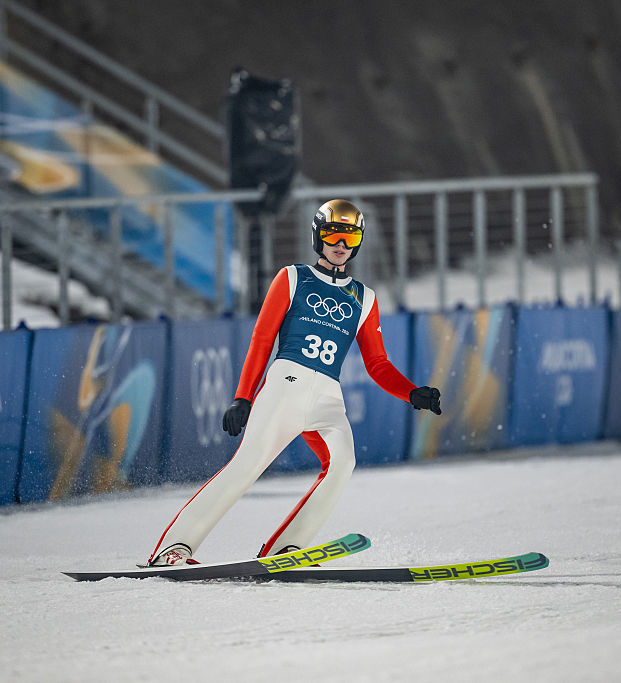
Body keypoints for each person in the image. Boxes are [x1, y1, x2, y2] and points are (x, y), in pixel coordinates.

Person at [147, 199, 442, 566]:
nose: (340, 244)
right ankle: (175, 547)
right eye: (333, 235)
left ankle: (286, 548)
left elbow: (378, 363)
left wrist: (411, 392)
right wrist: (243, 397)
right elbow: (262, 339)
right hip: (285, 385)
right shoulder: (292, 278)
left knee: (342, 463)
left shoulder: (365, 298)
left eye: (350, 238)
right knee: (246, 466)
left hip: (328, 397)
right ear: (318, 237)